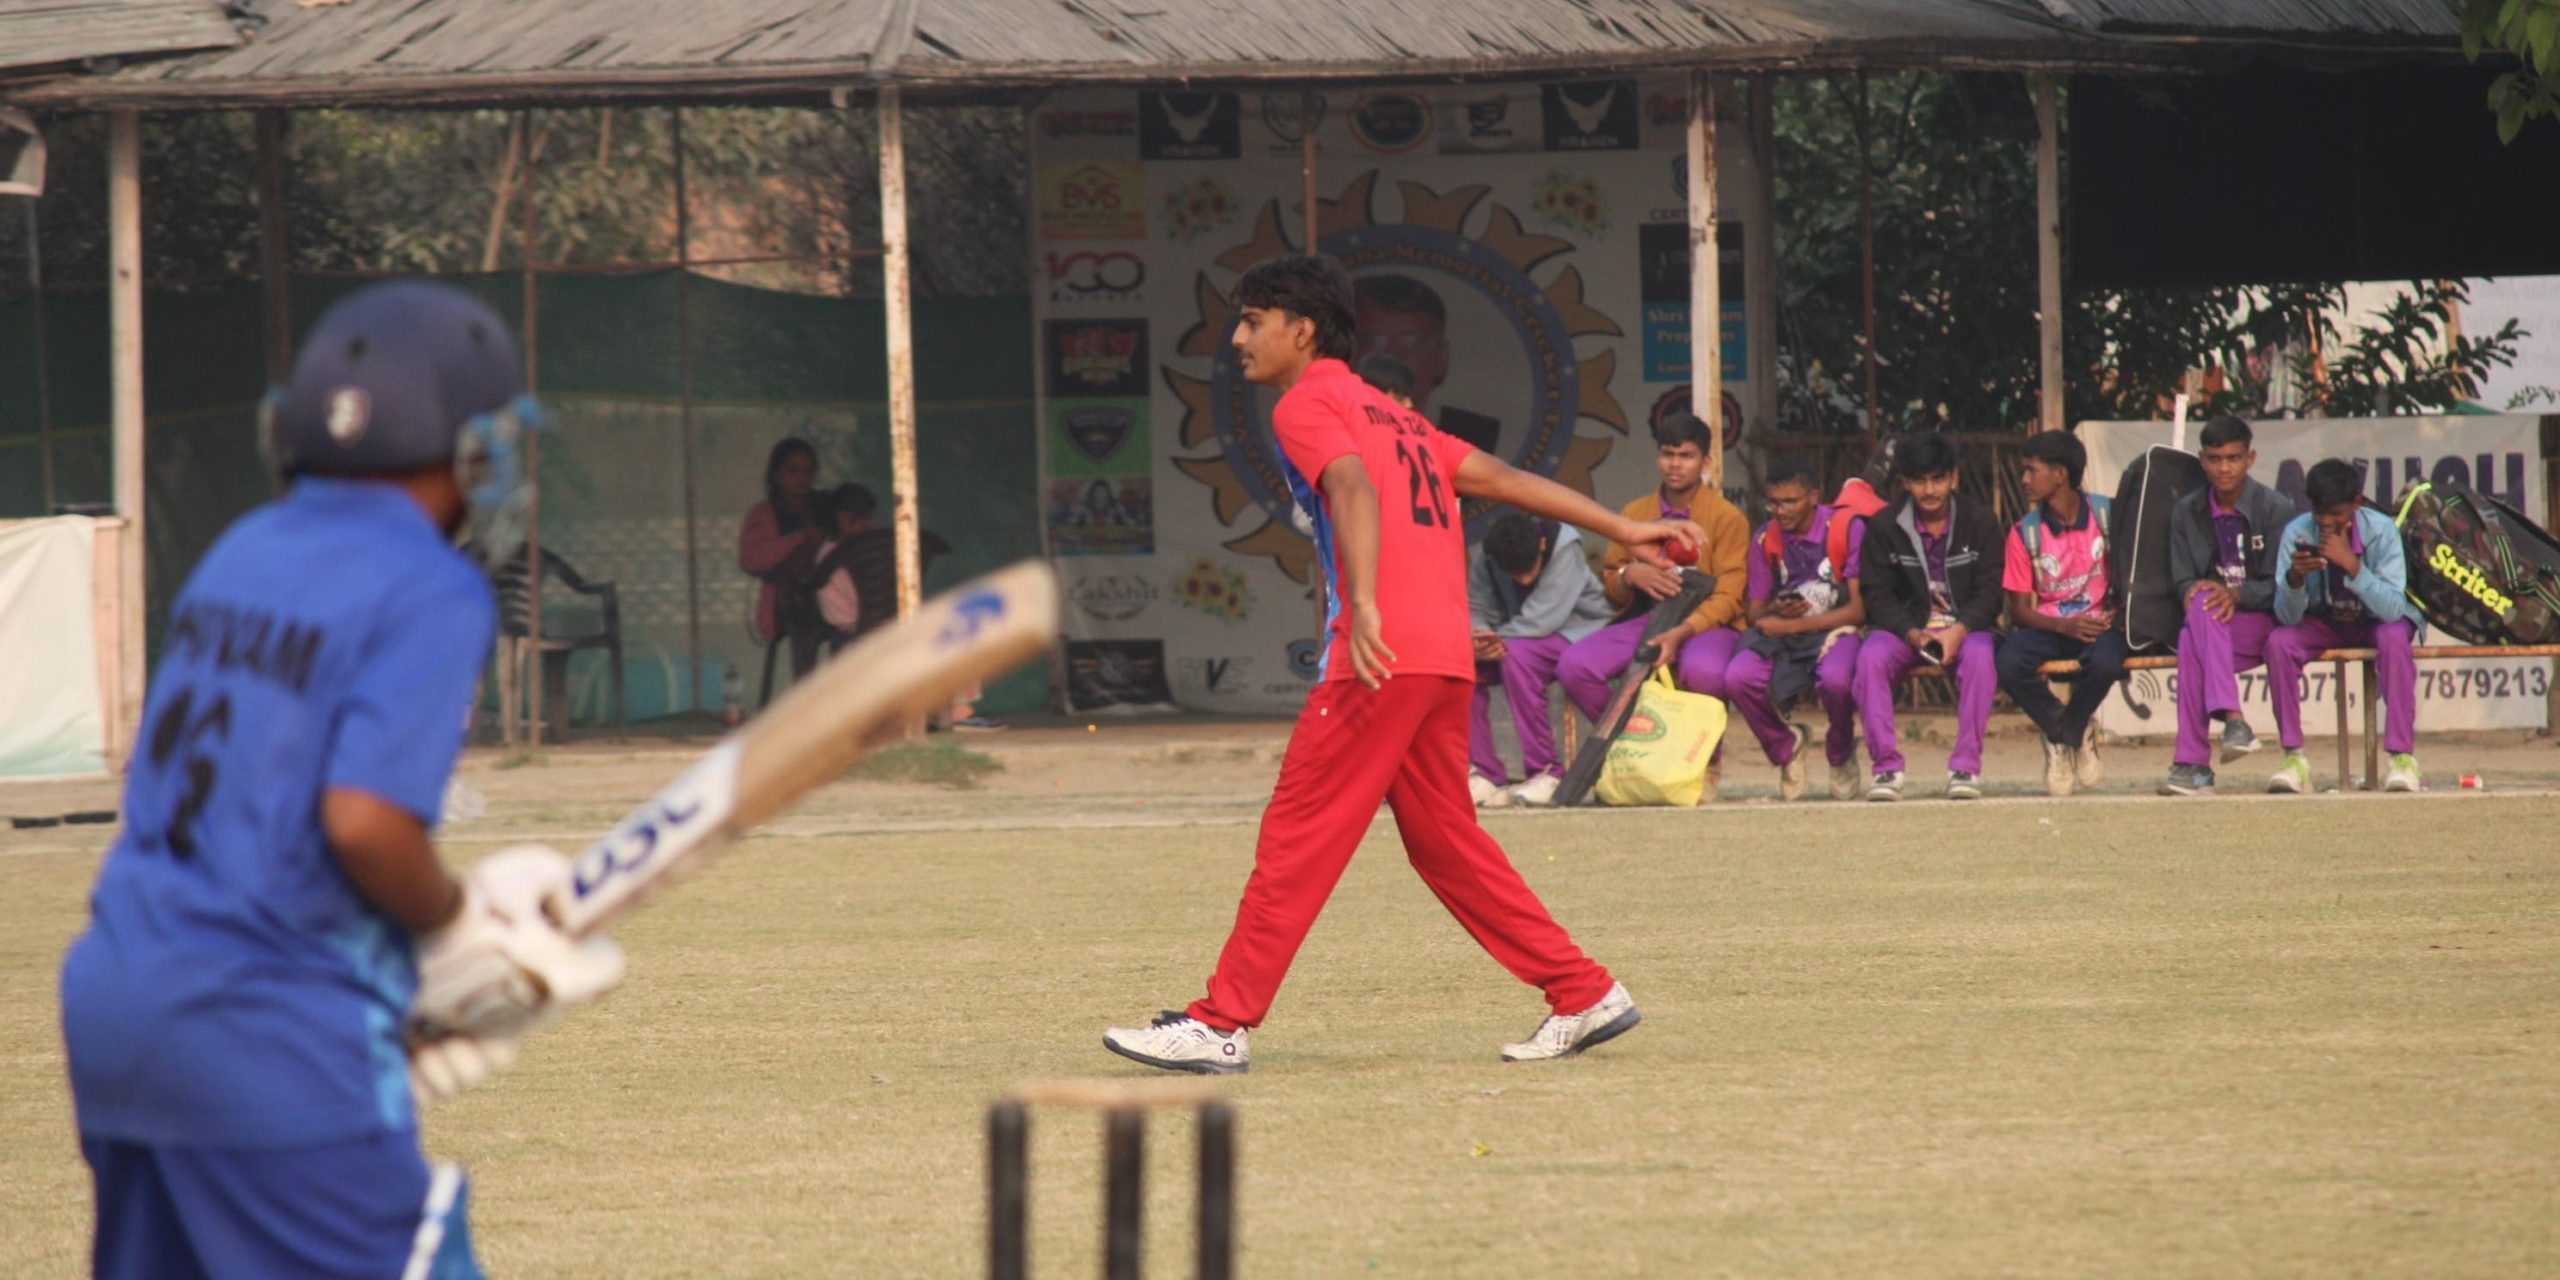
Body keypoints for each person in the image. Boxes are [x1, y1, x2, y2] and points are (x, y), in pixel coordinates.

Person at [57, 282, 625, 1280]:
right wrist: (456, 928)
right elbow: (362, 822)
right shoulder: (430, 584)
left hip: (115, 1004)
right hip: (264, 1024)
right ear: (468, 451)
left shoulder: (242, 549)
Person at [1102, 254, 1702, 1074]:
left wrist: (1365, 604)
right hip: (1442, 656)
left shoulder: (1306, 403)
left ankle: (1219, 1022)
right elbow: (1502, 479)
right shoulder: (1396, 415)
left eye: (1252, 321)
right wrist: (1624, 529)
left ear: (1301, 331)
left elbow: (1351, 488)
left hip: (1380, 655)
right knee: (1445, 842)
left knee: (1298, 834)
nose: (1238, 338)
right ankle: (1582, 991)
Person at [1555, 412, 1749, 796]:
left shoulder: (1727, 518)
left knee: (1704, 671)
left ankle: (1703, 764)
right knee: (1575, 666)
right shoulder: (1634, 513)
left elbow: (1729, 597)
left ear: (1706, 462)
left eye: (1686, 456)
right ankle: (1634, 749)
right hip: (1647, 618)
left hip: (1706, 624)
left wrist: (1681, 632)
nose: (1675, 464)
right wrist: (1630, 574)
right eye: (1667, 454)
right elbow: (1611, 583)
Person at [1853, 431, 2004, 801]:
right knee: (1870, 657)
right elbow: (1877, 595)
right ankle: (1886, 769)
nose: (1929, 490)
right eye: (1919, 481)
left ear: (1954, 478)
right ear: (1905, 482)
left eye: (1938, 479)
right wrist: (1911, 632)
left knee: (1981, 658)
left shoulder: (1980, 521)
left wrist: (1959, 630)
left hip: (1965, 628)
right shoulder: (1884, 525)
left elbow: (1991, 593)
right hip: (1906, 630)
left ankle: (1965, 767)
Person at [2158, 416, 2297, 796]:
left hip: (2261, 623)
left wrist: (2236, 594)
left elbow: (2281, 587)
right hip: (2212, 623)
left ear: (2250, 459)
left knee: (2192, 639)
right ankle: (2233, 722)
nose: (2224, 468)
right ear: (2202, 460)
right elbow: (2183, 581)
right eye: (2215, 459)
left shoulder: (2275, 508)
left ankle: (2193, 764)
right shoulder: (2186, 511)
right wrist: (2196, 592)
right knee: (2196, 621)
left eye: (2233, 458)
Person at [2265, 459, 2421, 793]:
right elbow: (2287, 618)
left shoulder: (2381, 531)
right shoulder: (2297, 532)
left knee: (2395, 638)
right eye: (2319, 512)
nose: (2325, 522)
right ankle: (2294, 759)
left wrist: (2351, 564)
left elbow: (2393, 609)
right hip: (2325, 622)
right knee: (2279, 642)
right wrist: (2295, 580)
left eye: (2335, 513)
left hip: (2375, 621)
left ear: (2356, 503)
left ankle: (2401, 759)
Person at [1723, 456, 1866, 801]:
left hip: (1836, 628)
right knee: (1738, 677)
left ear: (1814, 496)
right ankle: (1785, 747)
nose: (1780, 511)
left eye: (1790, 501)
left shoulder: (1846, 528)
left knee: (1836, 680)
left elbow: (1858, 610)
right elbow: (1755, 612)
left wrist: (1793, 625)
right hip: (1784, 632)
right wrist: (1777, 608)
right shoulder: (1765, 538)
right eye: (1773, 502)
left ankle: (1840, 750)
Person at [1993, 429, 2126, 796]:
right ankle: (2066, 730)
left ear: (2060, 474)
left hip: (2098, 625)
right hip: (2052, 626)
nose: (2024, 479)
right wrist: (2064, 626)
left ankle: (2065, 731)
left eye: (2031, 470)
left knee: (2107, 661)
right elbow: (2020, 612)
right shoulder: (2024, 533)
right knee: (2007, 662)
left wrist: (2116, 611)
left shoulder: (2108, 515)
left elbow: (2134, 577)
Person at [1467, 511, 1616, 807]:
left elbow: (1542, 620)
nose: (1523, 579)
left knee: (1516, 656)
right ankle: (1487, 775)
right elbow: (1477, 606)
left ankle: (1545, 772)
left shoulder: (1565, 546)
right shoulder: (1489, 556)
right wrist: (1478, 640)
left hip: (1578, 631)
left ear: (1542, 545)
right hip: (1517, 636)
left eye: (1528, 569)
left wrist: (1496, 641)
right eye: (1513, 574)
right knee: (1465, 665)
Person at [1352, 273, 1500, 454]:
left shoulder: (1474, 436)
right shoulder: (1331, 428)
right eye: (1372, 342)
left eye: (1410, 343)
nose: (1391, 356)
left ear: (1441, 356)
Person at [738, 437, 829, 681]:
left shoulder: (826, 506)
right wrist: (799, 539)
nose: (802, 478)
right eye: (793, 471)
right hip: (788, 605)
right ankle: (807, 696)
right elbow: (751, 559)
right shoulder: (763, 514)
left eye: (808, 471)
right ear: (776, 475)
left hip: (834, 597)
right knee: (804, 629)